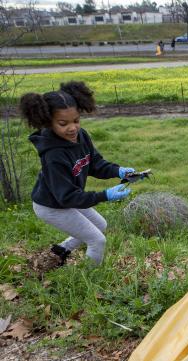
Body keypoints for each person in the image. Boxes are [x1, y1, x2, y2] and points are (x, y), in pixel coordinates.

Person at [20, 81, 137, 267]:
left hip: (67, 197)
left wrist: (118, 170)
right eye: (63, 123)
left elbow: (95, 164)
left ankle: (61, 250)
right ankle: (90, 281)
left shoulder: (80, 136)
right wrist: (104, 195)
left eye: (76, 120)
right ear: (48, 122)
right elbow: (67, 197)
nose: (73, 128)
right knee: (97, 240)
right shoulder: (53, 155)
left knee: (101, 225)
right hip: (51, 206)